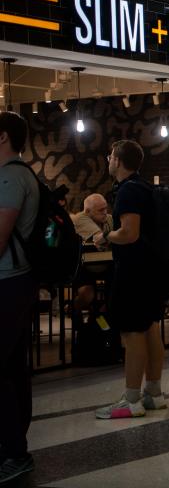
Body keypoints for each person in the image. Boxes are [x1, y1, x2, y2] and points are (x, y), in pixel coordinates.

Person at [93, 140, 167, 419]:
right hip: (152, 270)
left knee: (132, 332)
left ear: (119, 161)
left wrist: (105, 237)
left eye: (110, 156)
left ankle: (132, 399)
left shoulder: (128, 191)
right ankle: (154, 393)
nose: (108, 160)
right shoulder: (146, 187)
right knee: (149, 329)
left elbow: (129, 233)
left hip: (134, 271)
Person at [0, 112, 39, 484]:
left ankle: (14, 450)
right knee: (12, 369)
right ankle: (13, 448)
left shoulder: (10, 177)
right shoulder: (22, 174)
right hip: (17, 282)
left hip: (8, 283)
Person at [71, 193, 113, 314]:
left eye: (106, 208)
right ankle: (74, 309)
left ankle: (102, 318)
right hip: (83, 266)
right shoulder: (81, 218)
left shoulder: (109, 219)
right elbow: (99, 238)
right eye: (101, 210)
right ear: (88, 211)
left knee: (119, 290)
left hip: (106, 265)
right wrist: (123, 234)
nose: (105, 212)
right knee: (86, 295)